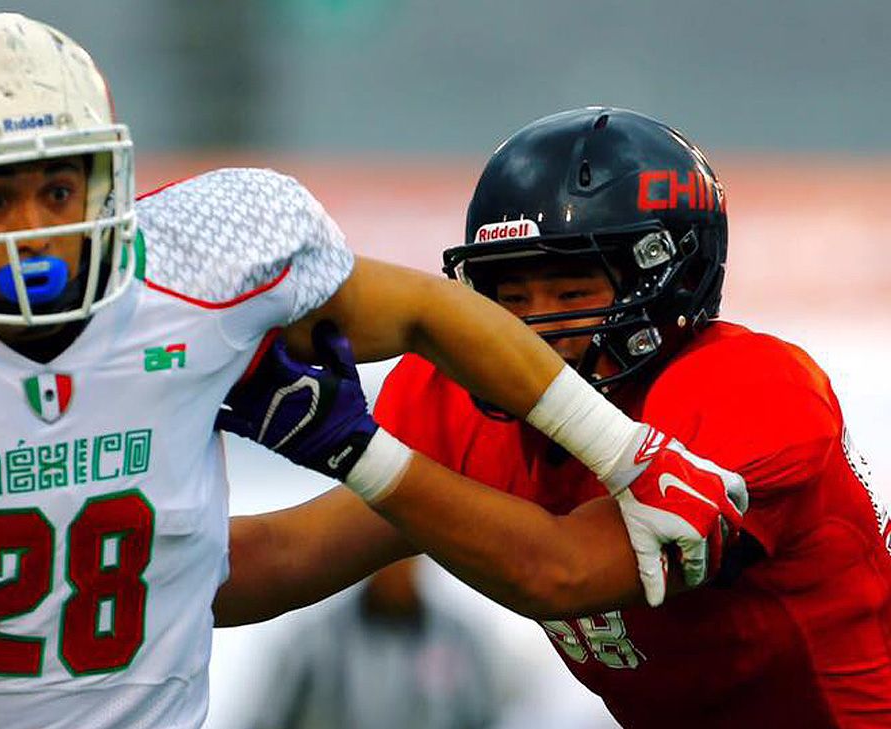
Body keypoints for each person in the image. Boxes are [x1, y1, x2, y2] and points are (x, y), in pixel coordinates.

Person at [0, 13, 741, 727]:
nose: (31, 231)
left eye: (58, 190)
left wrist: (621, 451)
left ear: (108, 179)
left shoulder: (202, 270)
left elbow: (435, 311)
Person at [215, 108, 891, 728]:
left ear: (669, 281)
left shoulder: (757, 389)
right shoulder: (455, 397)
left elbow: (561, 570)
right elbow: (285, 554)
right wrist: (127, 558)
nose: (536, 326)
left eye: (571, 291)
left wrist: (358, 452)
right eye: (512, 296)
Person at [247, 557, 502, 729]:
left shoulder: (459, 641)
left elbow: (487, 719)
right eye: (384, 553)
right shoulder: (313, 641)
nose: (395, 565)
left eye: (405, 550)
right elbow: (266, 720)